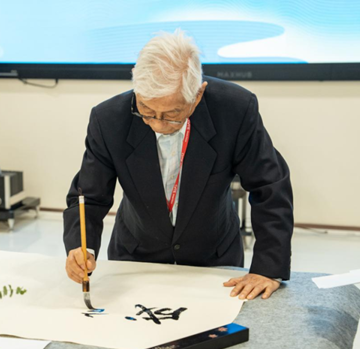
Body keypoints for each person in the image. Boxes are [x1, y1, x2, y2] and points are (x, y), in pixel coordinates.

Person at [63, 30, 294, 301]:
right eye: (146, 111)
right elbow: (89, 196)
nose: (158, 125)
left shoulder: (235, 109)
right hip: (137, 254)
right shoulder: (108, 119)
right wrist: (82, 247)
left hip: (213, 256)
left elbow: (269, 185)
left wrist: (267, 268)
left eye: (172, 114)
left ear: (198, 94)